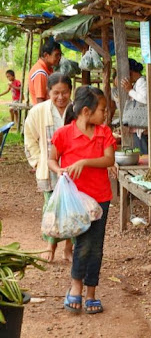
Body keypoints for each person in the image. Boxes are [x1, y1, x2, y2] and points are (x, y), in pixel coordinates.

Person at [48, 86, 116, 314]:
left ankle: (91, 292)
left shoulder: (104, 132)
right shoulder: (64, 134)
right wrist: (58, 170)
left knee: (96, 246)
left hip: (101, 198)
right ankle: (75, 286)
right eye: (102, 109)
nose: (105, 114)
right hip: (76, 200)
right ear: (86, 111)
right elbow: (51, 159)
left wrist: (84, 162)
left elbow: (108, 160)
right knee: (83, 244)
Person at [24, 73, 74, 262]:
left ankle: (69, 247)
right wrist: (38, 161)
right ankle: (50, 246)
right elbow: (29, 137)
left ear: (70, 91)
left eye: (65, 93)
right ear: (49, 92)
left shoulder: (77, 109)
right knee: (51, 208)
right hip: (49, 169)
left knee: (73, 209)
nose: (60, 97)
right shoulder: (38, 111)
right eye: (56, 93)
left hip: (72, 168)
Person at [121, 59, 148, 154]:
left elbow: (144, 99)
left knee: (143, 149)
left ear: (130, 72)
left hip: (141, 123)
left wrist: (130, 90)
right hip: (139, 124)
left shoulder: (141, 82)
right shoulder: (138, 82)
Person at [29, 39, 62, 104]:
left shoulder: (48, 69)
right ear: (46, 55)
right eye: (56, 55)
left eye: (60, 55)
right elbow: (40, 101)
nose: (59, 58)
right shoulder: (40, 73)